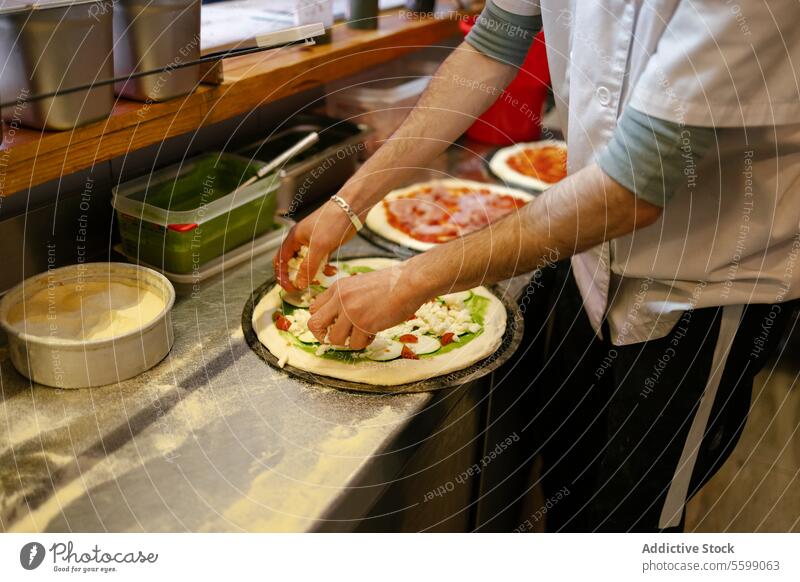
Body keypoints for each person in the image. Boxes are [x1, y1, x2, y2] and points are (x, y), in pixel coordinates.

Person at [275, 1, 800, 531]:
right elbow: (491, 46)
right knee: (566, 481)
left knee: (631, 520)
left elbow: (634, 188)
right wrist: (351, 201)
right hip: (585, 253)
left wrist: (411, 280)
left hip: (702, 288)